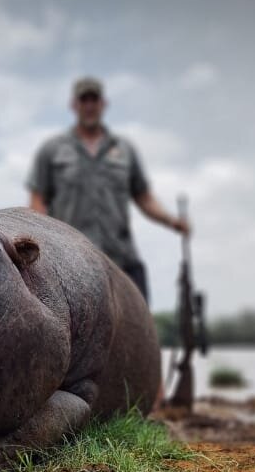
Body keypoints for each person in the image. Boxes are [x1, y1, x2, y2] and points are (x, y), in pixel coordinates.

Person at [26, 76, 189, 303]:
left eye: (94, 99)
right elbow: (38, 200)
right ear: (75, 105)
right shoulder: (52, 150)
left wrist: (172, 221)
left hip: (122, 262)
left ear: (103, 104)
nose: (90, 105)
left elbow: (144, 197)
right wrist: (36, 242)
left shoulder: (124, 149)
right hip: (71, 268)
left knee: (138, 336)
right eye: (84, 100)